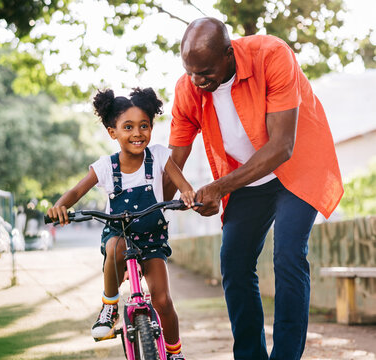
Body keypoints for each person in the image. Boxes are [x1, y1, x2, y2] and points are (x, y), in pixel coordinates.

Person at [164, 17, 344, 360]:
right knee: (233, 261)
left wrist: (217, 187)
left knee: (289, 255)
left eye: (205, 72)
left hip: (295, 170)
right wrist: (154, 214)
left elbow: (281, 147)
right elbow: (175, 161)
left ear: (228, 55)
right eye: (190, 71)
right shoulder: (188, 87)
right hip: (246, 180)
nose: (197, 81)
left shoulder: (271, 55)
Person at [47, 87, 198, 360]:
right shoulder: (106, 166)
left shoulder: (161, 157)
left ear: (152, 127)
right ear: (112, 132)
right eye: (128, 127)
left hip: (153, 238)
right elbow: (76, 192)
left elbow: (181, 183)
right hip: (119, 234)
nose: (137, 133)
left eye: (144, 126)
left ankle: (175, 353)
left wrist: (188, 194)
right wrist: (61, 207)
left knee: (162, 301)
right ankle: (109, 305)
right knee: (115, 247)